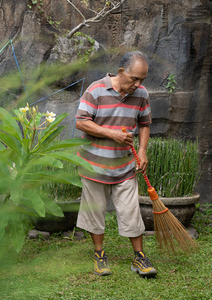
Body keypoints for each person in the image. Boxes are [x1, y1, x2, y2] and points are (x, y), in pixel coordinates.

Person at [75, 51, 157, 277]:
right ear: (121, 72)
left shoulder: (141, 94)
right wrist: (112, 135)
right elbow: (81, 122)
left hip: (125, 167)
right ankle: (99, 255)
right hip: (94, 167)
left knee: (132, 213)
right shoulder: (95, 90)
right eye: (134, 79)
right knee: (95, 213)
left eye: (142, 80)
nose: (138, 84)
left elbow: (145, 123)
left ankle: (139, 257)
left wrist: (142, 151)